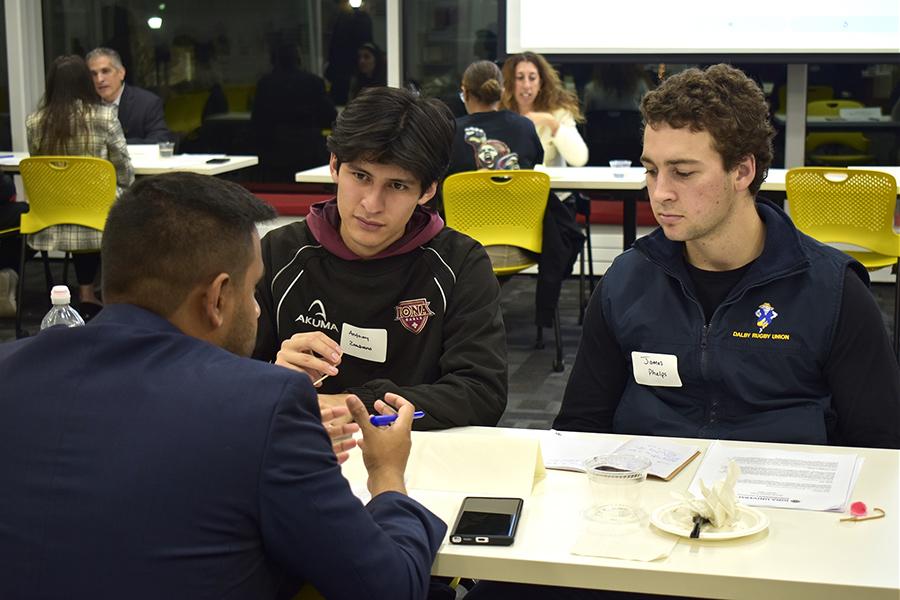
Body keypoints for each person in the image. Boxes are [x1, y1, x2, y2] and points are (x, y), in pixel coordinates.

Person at [0, 172, 446, 599]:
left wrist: (284, 456)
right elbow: (388, 586)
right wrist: (387, 474)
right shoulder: (263, 405)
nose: (256, 311)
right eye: (253, 291)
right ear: (216, 298)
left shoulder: (11, 368)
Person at [555, 63, 900, 448]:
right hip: (649, 497)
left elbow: (881, 449)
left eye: (683, 173)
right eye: (651, 171)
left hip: (783, 499)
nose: (660, 192)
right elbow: (578, 428)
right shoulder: (627, 280)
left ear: (742, 171)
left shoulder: (833, 292)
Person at [253, 86, 508, 430]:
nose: (372, 204)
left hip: (418, 461)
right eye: (361, 176)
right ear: (334, 166)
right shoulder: (278, 254)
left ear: (428, 190)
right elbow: (221, 377)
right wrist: (274, 377)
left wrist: (352, 404)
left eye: (398, 186)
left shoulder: (461, 263)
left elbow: (481, 393)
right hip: (303, 447)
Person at [26, 54, 134, 317]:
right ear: (87, 82)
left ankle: (85, 293)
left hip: (53, 214)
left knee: (81, 202)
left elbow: (40, 167)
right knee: (128, 205)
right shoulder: (104, 117)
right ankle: (118, 297)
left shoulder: (35, 122)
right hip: (99, 213)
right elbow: (124, 171)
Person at [251, 42, 337, 182]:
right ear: (299, 59)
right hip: (309, 150)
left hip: (274, 151)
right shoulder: (313, 82)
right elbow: (330, 117)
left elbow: (257, 121)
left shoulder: (265, 84)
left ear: (275, 60)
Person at [448, 60, 543, 174]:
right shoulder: (525, 126)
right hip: (515, 192)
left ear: (465, 93)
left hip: (465, 192)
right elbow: (534, 165)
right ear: (502, 92)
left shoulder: (450, 131)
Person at [501, 51, 588, 167]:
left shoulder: (557, 112)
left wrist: (552, 123)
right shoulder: (500, 112)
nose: (526, 85)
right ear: (510, 83)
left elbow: (579, 159)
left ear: (541, 83)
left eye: (532, 78)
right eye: (520, 78)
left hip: (549, 184)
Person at [86, 47, 172, 144]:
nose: (99, 79)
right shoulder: (85, 105)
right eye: (93, 74)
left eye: (105, 71)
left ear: (121, 73)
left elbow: (160, 140)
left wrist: (116, 146)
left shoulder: (147, 103)